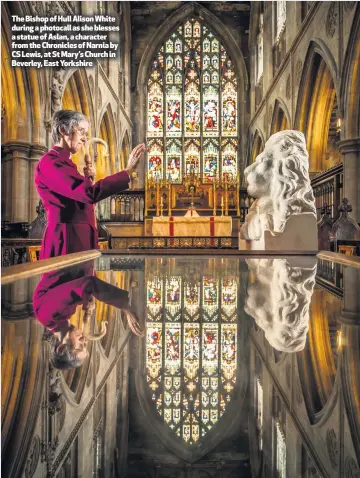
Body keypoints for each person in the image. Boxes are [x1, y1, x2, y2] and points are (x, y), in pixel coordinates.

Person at [35, 109, 145, 259]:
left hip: (77, 239)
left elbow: (80, 200)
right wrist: (126, 172)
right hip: (66, 241)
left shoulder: (66, 163)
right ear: (62, 130)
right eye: (81, 132)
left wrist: (89, 180)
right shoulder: (51, 162)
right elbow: (88, 194)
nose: (85, 139)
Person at [33, 263, 142, 369]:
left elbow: (89, 283)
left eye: (80, 346)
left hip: (67, 250)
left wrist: (125, 307)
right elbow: (85, 277)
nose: (84, 341)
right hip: (79, 255)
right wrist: (88, 297)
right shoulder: (63, 316)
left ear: (61, 348)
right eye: (85, 345)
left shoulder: (47, 315)